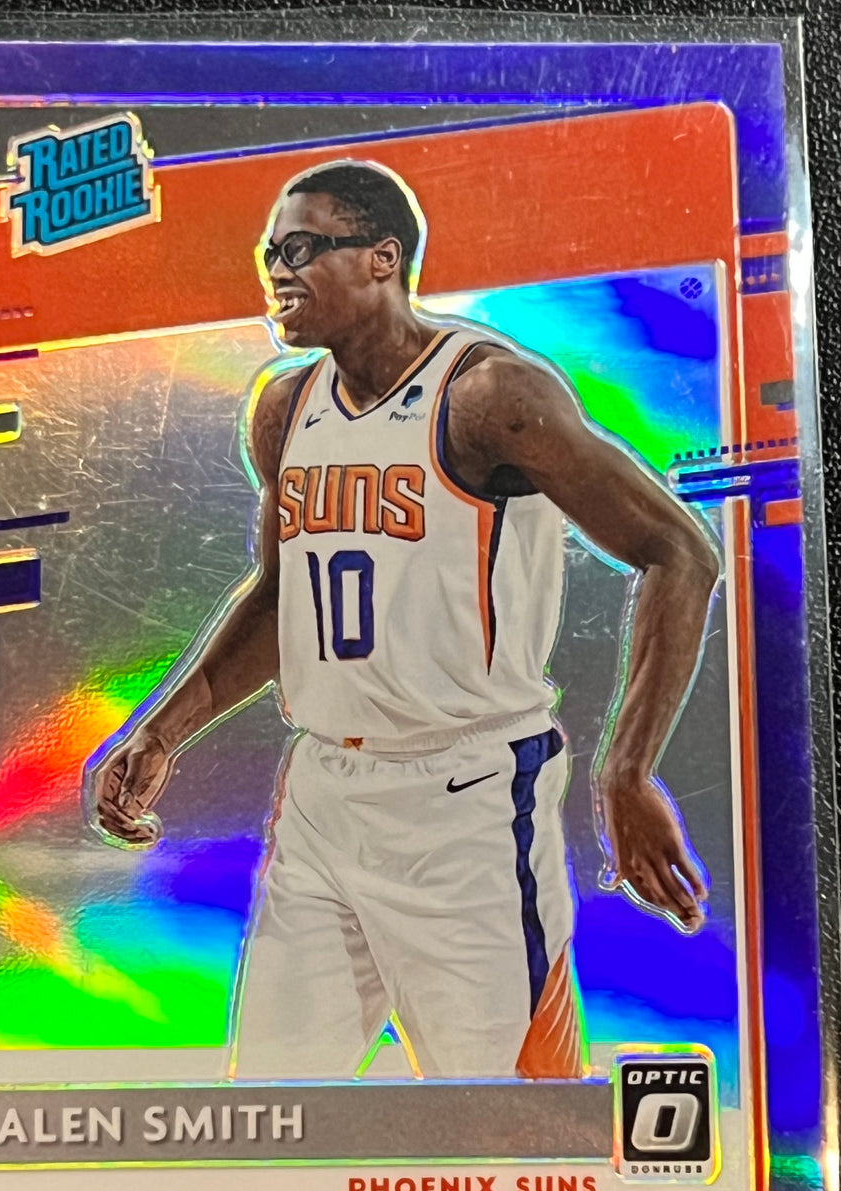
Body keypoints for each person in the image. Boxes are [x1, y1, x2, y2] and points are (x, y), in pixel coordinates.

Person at [91, 161, 720, 1082]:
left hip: (468, 801)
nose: (277, 272)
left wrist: (628, 769)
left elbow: (679, 551)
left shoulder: (491, 396)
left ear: (382, 258)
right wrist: (163, 731)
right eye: (271, 254)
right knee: (268, 1112)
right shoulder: (284, 407)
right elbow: (281, 596)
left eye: (301, 249)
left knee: (515, 1128)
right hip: (323, 795)